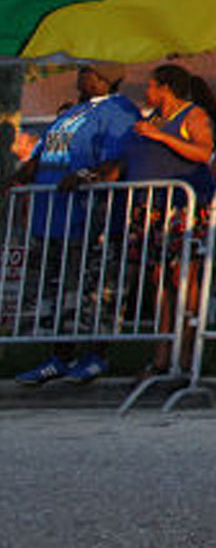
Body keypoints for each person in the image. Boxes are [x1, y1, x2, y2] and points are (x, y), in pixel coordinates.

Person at [9, 62, 139, 386]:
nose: (80, 75)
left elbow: (117, 161)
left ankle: (96, 356)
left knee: (93, 291)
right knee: (56, 293)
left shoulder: (119, 110)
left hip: (89, 219)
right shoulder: (73, 113)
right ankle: (59, 358)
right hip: (51, 219)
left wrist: (87, 176)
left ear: (101, 77)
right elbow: (44, 151)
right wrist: (23, 173)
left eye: (86, 70)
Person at [123, 63, 216, 379]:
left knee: (184, 278)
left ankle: (185, 357)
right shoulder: (150, 118)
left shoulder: (192, 115)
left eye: (151, 86)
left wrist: (160, 136)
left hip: (184, 205)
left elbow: (202, 152)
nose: (147, 91)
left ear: (165, 87)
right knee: (159, 281)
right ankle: (161, 357)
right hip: (152, 208)